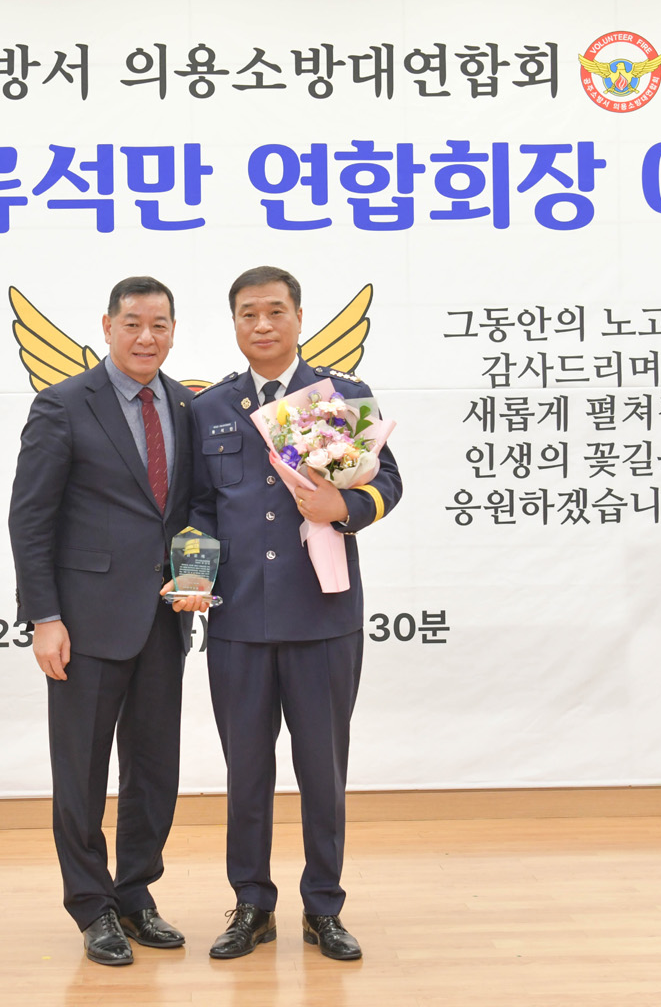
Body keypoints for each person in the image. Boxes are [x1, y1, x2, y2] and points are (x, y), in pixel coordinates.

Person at [189, 266, 402, 962]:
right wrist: (192, 574)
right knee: (246, 773)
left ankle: (324, 908)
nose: (262, 324)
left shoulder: (340, 396)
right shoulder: (209, 408)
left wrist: (345, 506)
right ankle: (252, 905)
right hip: (239, 621)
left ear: (299, 317)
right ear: (234, 323)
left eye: (275, 311)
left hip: (322, 617)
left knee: (322, 770)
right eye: (248, 313)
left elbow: (388, 480)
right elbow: (197, 508)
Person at [8, 276, 200, 966]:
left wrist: (196, 574)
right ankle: (92, 907)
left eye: (159, 324)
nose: (146, 337)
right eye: (133, 324)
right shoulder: (63, 404)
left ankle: (136, 893)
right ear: (107, 326)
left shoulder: (187, 405)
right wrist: (44, 617)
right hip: (85, 624)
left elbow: (191, 509)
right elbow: (30, 518)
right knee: (82, 771)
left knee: (154, 770)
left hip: (163, 620)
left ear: (173, 330)